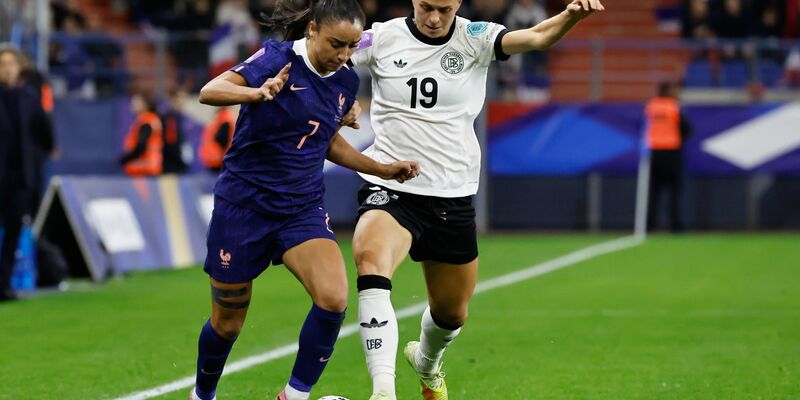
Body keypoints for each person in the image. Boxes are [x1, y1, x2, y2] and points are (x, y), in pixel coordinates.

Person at [347, 0, 605, 399]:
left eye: (445, 9)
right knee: (370, 258)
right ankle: (384, 390)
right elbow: (327, 54)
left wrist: (571, 16)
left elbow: (537, 36)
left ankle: (427, 364)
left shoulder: (476, 37)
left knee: (451, 313)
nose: (434, 18)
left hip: (451, 193)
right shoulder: (381, 37)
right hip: (392, 185)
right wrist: (342, 96)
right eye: (426, 7)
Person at [189, 1, 420, 399]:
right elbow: (210, 91)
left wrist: (381, 168)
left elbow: (326, 141)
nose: (344, 55)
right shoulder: (277, 59)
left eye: (351, 47)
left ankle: (293, 396)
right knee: (227, 324)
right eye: (336, 44)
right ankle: (202, 395)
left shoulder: (345, 81)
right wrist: (256, 92)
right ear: (311, 29)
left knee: (333, 299)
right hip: (244, 206)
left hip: (300, 207)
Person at [0, 46, 54, 302]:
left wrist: (38, 157)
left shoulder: (29, 98)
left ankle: (4, 284)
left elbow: (45, 133)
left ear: (19, 67)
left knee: (12, 232)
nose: (7, 68)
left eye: (10, 63)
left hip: (20, 179)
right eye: (2, 64)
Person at [645, 80, 691, 232]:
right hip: (671, 152)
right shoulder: (673, 106)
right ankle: (676, 225)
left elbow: (642, 127)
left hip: (654, 152)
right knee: (675, 192)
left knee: (653, 192)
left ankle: (649, 225)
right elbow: (686, 128)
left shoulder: (651, 106)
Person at [119, 93, 163, 176]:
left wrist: (124, 160)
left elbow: (141, 146)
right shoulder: (149, 119)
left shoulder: (146, 122)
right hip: (151, 165)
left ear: (144, 105)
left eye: (136, 102)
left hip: (145, 166)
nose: (132, 105)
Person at [161, 88, 190, 174]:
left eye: (184, 98)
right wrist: (180, 161)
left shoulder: (181, 117)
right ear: (173, 100)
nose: (182, 101)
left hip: (178, 164)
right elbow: (170, 142)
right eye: (179, 98)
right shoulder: (170, 118)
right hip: (171, 166)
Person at [198, 106, 236, 173]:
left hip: (215, 160)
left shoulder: (223, 118)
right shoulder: (225, 117)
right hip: (218, 160)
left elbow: (221, 138)